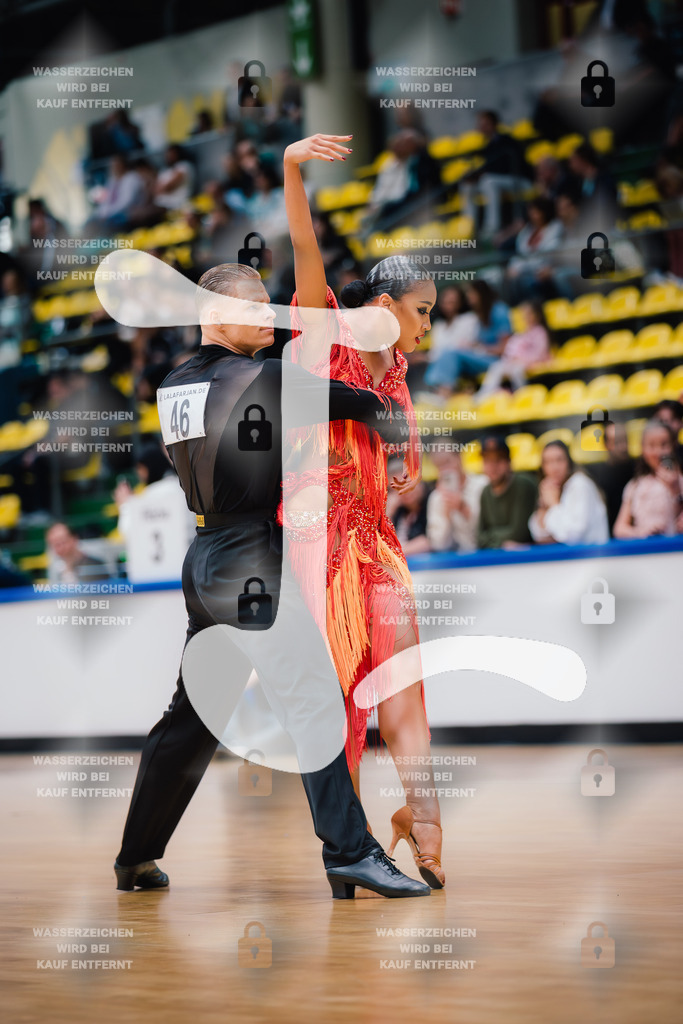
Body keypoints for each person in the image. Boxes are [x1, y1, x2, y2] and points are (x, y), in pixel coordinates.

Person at [114, 261, 430, 901]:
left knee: (191, 722)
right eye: (254, 308)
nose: (270, 316)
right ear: (212, 315)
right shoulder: (256, 377)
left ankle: (136, 858)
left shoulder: (174, 383)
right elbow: (340, 398)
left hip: (204, 560)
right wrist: (380, 408)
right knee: (314, 701)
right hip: (249, 560)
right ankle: (350, 853)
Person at [282, 132, 445, 889]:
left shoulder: (399, 372)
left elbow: (396, 463)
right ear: (382, 305)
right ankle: (347, 852)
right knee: (343, 704)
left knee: (402, 685)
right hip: (322, 551)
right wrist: (291, 172)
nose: (427, 325)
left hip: (376, 546)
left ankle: (424, 818)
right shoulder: (329, 338)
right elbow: (307, 257)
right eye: (420, 310)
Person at [423, 281, 511, 396]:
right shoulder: (478, 314)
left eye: (471, 292)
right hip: (480, 358)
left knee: (451, 352)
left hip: (497, 362)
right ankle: (440, 394)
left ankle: (443, 395)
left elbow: (504, 349)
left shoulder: (498, 310)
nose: (468, 296)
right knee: (448, 354)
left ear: (480, 293)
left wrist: (478, 347)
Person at [460, 111, 532, 237]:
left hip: (520, 181)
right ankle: (469, 227)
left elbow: (509, 166)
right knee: (467, 186)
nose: (482, 127)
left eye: (485, 124)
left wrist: (481, 174)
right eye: (480, 124)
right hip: (499, 182)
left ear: (494, 124)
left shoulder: (507, 140)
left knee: (488, 181)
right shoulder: (488, 145)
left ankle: (492, 228)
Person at [529, 441, 610, 545]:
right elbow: (539, 536)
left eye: (559, 460)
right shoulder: (552, 490)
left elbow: (573, 536)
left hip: (593, 556)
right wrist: (543, 506)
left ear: (569, 462)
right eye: (548, 462)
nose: (554, 467)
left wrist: (554, 504)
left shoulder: (580, 484)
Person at [613, 419, 683, 538]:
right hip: (646, 552)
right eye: (651, 445)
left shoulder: (679, 480)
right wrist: (640, 532)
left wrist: (676, 491)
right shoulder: (635, 485)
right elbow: (619, 529)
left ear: (673, 446)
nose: (658, 452)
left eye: (664, 444)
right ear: (643, 448)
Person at [476, 301, 551, 397]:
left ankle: (522, 395)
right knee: (496, 367)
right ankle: (484, 395)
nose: (526, 317)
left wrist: (522, 360)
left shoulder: (540, 333)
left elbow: (539, 354)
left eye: (529, 314)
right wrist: (511, 359)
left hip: (533, 363)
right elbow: (512, 350)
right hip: (517, 362)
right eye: (524, 314)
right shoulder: (523, 333)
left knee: (516, 370)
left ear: (538, 315)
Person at [477, 436, 537, 549]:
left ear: (509, 462)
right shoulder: (485, 492)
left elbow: (519, 533)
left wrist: (491, 538)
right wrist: (501, 544)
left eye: (498, 460)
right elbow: (480, 537)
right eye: (487, 461)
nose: (492, 467)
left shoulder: (523, 485)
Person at [426, 448, 487, 553]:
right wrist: (446, 513)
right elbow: (439, 545)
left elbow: (487, 533)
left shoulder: (483, 485)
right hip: (455, 564)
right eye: (439, 466)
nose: (445, 469)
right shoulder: (436, 498)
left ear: (459, 458)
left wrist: (463, 508)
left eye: (447, 462)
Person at [585, 422, 636, 532]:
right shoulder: (595, 475)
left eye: (625, 440)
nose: (623, 447)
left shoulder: (639, 468)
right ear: (606, 444)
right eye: (616, 442)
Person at [46, 522, 110, 584]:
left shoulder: (94, 565)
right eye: (55, 544)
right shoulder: (55, 569)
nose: (59, 547)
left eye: (62, 541)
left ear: (74, 539)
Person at [389, 478, 431, 556]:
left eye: (408, 485)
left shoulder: (431, 502)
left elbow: (428, 542)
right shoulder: (398, 510)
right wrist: (389, 512)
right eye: (398, 488)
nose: (405, 491)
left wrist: (393, 554)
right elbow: (384, 542)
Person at [154, 145, 195, 211]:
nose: (169, 156)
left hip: (175, 204)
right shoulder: (165, 170)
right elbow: (156, 190)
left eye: (172, 153)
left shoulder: (184, 166)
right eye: (168, 154)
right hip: (160, 204)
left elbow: (169, 187)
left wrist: (163, 187)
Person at [653, 400, 683, 470]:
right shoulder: (649, 457)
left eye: (672, 419)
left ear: (681, 423)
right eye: (662, 421)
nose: (667, 425)